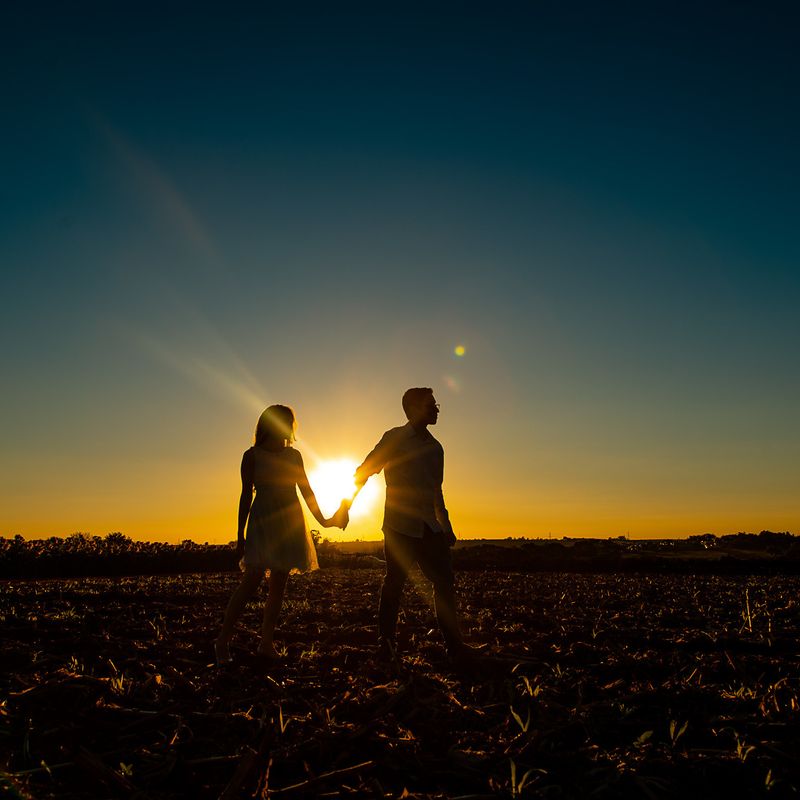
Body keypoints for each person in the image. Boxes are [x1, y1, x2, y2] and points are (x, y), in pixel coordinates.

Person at [353, 387, 478, 666]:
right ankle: (386, 645)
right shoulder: (394, 438)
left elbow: (436, 491)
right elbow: (365, 470)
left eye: (436, 404)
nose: (437, 408)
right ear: (413, 409)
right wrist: (346, 505)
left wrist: (446, 525)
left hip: (430, 528)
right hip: (399, 526)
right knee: (394, 584)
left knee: (444, 582)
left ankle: (454, 646)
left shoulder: (436, 448)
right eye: (431, 404)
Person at [215, 404, 347, 663]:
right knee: (251, 581)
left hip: (289, 521)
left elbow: (307, 492)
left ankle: (266, 644)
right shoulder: (251, 456)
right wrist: (239, 535)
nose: (288, 427)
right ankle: (222, 642)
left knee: (279, 586)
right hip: (263, 519)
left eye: (290, 422)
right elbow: (245, 496)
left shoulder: (294, 456)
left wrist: (326, 521)